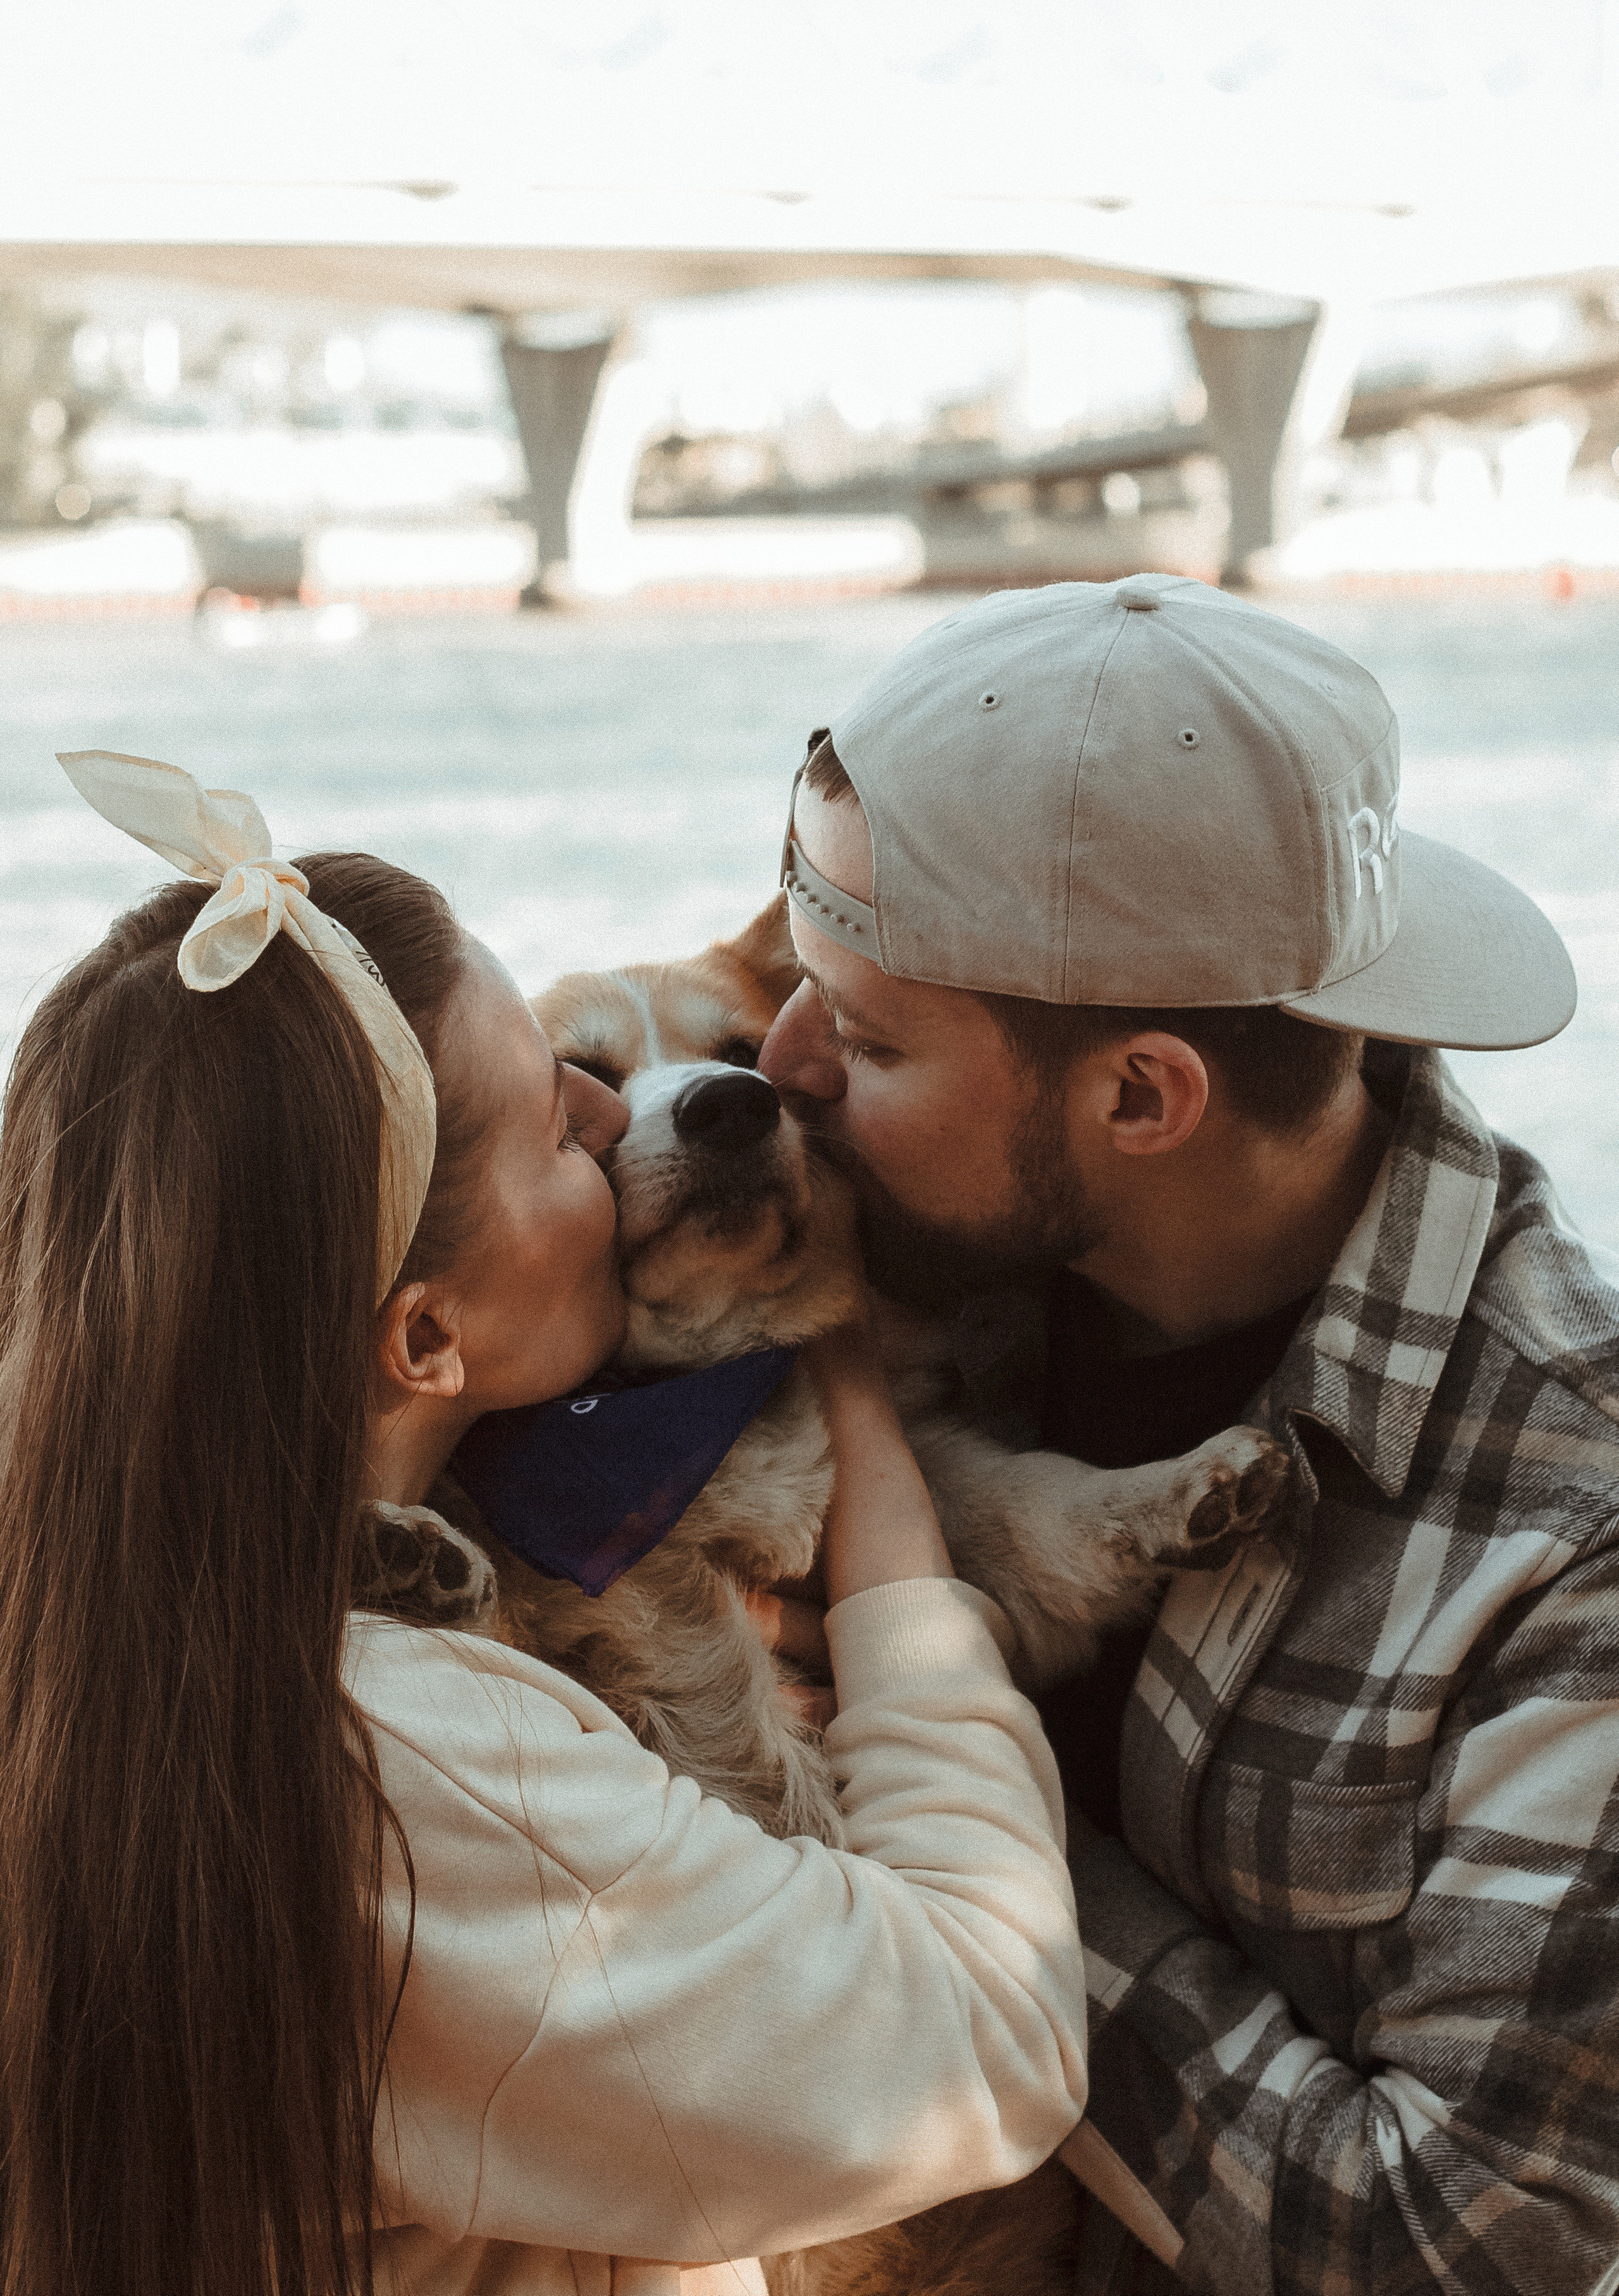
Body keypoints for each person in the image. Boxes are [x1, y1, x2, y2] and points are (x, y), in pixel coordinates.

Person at [0, 751, 1087, 2296]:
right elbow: (988, 2044)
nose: (611, 1110)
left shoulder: (112, 1626)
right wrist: (893, 1564)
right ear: (426, 1343)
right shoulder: (431, 1778)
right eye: (550, 1121)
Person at [758, 575, 1619, 2296]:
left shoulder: (1568, 1535)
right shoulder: (865, 1260)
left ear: (1143, 1097)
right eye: (796, 989)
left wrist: (939, 1809)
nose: (776, 1064)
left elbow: (1445, 2246)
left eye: (863, 1038)